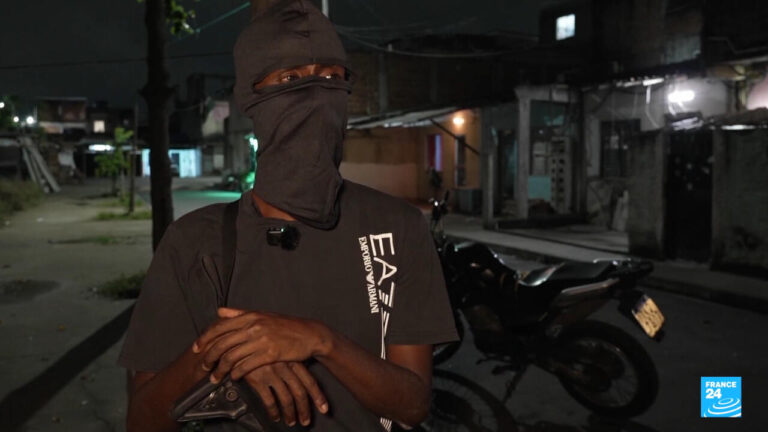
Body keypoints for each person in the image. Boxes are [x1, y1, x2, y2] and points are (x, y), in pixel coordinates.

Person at [118, 1, 458, 431]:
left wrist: (321, 341)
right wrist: (231, 355)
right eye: (291, 79)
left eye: (331, 77)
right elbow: (142, 420)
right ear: (251, 97)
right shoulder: (194, 242)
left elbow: (412, 406)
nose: (316, 94)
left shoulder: (397, 226)